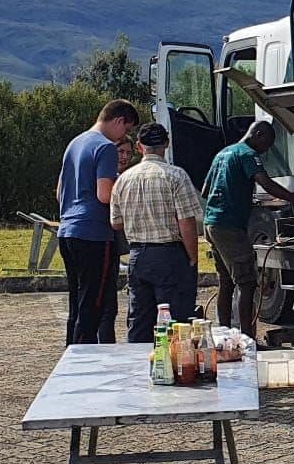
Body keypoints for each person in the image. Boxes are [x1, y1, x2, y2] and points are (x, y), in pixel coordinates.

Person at [202, 121, 294, 343]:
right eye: (267, 144)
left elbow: (206, 190)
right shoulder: (247, 154)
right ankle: (247, 341)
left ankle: (224, 337)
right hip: (229, 227)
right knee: (247, 283)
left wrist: (239, 195)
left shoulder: (223, 153)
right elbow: (266, 183)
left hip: (211, 223)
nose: (266, 149)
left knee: (226, 282)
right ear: (258, 134)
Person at [56, 99, 140, 346]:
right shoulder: (105, 148)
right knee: (94, 304)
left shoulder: (75, 143)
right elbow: (105, 193)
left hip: (67, 230)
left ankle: (70, 353)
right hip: (93, 233)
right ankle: (84, 357)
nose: (123, 137)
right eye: (126, 130)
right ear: (118, 121)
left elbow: (60, 192)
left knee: (77, 302)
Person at [110, 122, 202, 343]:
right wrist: (192, 257)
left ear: (140, 146)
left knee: (139, 318)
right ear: (166, 144)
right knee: (176, 321)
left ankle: (137, 368)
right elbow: (187, 223)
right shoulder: (176, 176)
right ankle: (175, 369)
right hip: (170, 254)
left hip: (138, 255)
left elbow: (116, 223)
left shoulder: (123, 179)